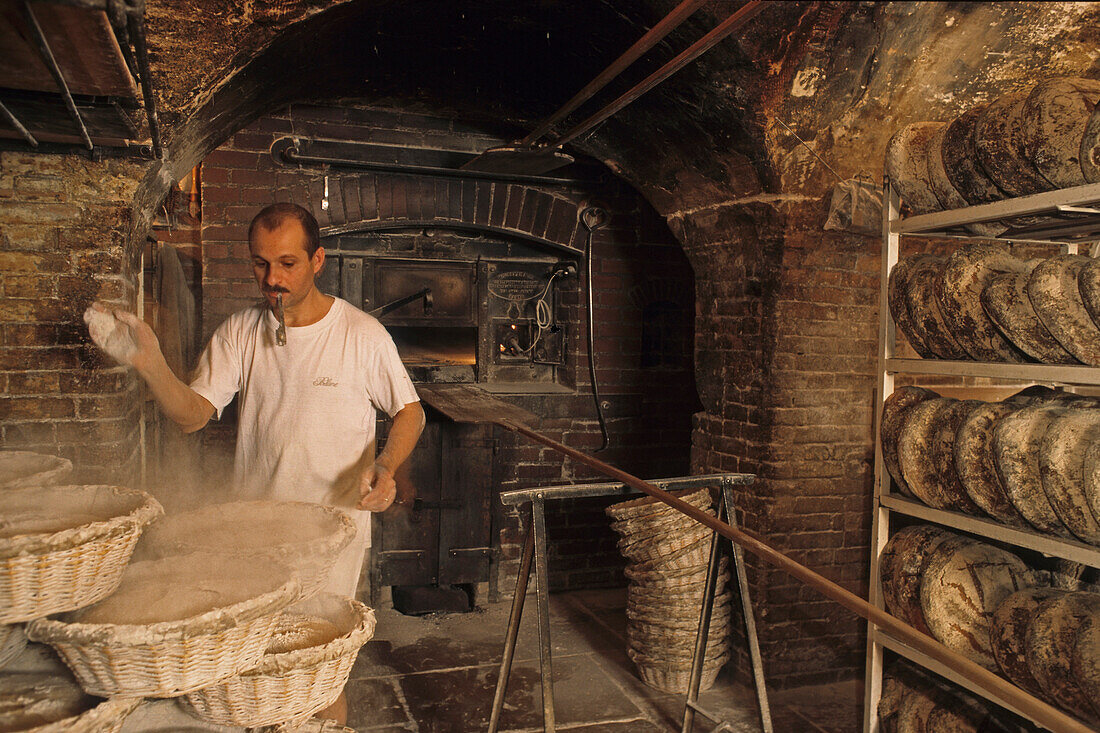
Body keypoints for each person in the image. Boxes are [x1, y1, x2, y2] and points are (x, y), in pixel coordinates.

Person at [94, 202, 424, 725]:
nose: (273, 279)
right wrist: (150, 363)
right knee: (251, 665)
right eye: (261, 263)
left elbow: (409, 412)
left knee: (317, 667)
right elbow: (192, 416)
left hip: (332, 533)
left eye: (288, 263)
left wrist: (385, 467)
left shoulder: (361, 334)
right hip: (254, 530)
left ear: (318, 260)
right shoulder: (240, 331)